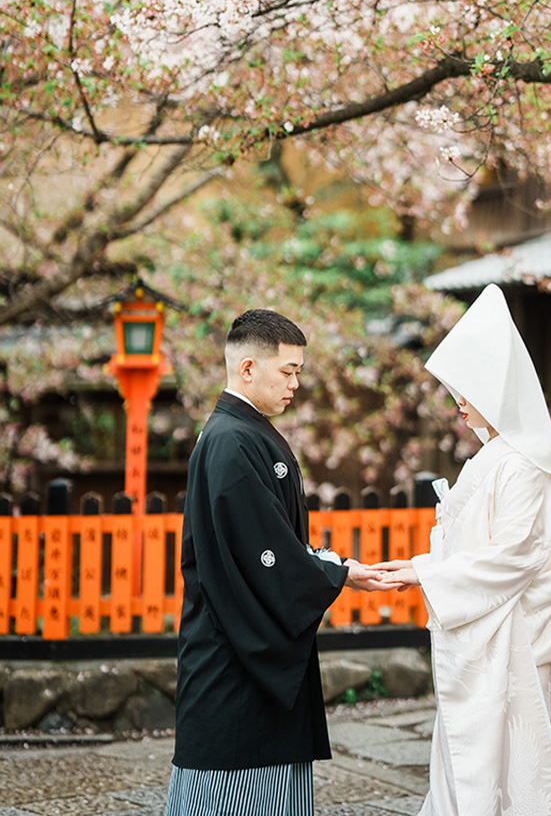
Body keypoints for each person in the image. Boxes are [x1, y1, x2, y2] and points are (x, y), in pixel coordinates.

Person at [164, 308, 393, 816]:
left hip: (244, 648)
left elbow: (273, 544)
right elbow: (265, 555)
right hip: (235, 658)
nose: (295, 384)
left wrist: (332, 567)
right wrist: (336, 573)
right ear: (248, 368)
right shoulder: (230, 440)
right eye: (287, 371)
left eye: (298, 373)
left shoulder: (243, 432)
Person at [377, 283, 551, 816]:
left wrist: (426, 574)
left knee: (500, 767)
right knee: (469, 761)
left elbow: (514, 554)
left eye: (466, 391)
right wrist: (426, 568)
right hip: (482, 630)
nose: (459, 404)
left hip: (511, 638)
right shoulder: (501, 456)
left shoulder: (519, 462)